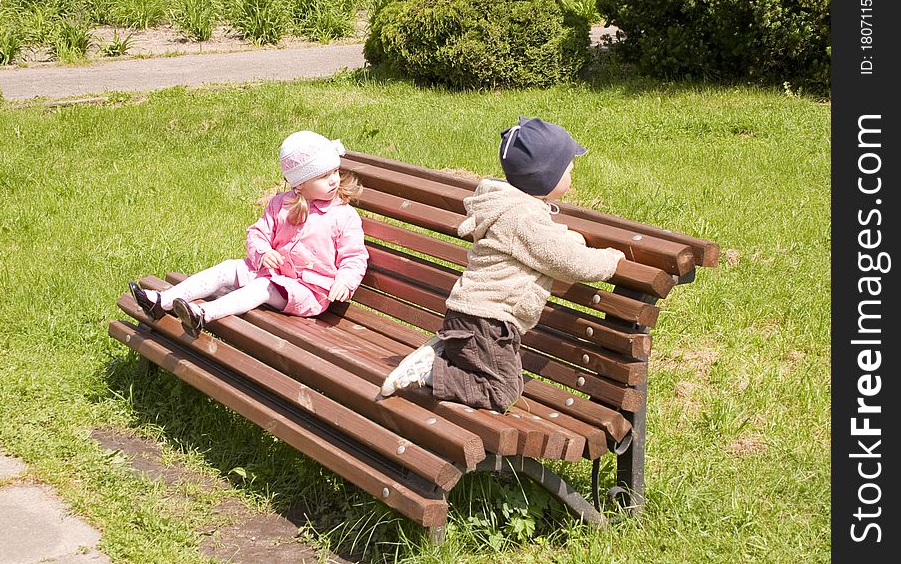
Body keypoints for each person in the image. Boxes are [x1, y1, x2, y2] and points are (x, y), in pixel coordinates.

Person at [380, 116, 626, 412]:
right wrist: (610, 260)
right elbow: (571, 262)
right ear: (547, 176)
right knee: (502, 391)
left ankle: (441, 358)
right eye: (568, 168)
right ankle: (432, 371)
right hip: (489, 323)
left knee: (493, 379)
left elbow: (549, 244)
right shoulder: (522, 218)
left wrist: (568, 237)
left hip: (470, 316)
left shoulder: (511, 209)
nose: (572, 172)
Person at [128, 130, 369, 332]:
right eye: (324, 176)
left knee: (261, 288)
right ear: (300, 184)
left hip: (309, 292)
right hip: (272, 272)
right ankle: (162, 301)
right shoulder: (281, 204)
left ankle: (202, 315)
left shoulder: (343, 216)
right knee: (228, 268)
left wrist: (344, 282)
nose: (333, 181)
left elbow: (354, 257)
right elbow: (257, 233)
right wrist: (263, 253)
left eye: (335, 172)